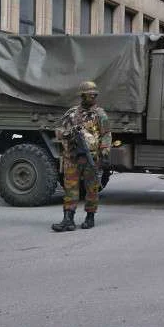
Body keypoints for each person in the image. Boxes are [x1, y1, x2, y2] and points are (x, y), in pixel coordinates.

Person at [52, 81, 112, 232]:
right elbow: (59, 130)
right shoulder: (71, 113)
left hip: (91, 158)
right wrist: (68, 133)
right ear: (82, 95)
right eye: (89, 94)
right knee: (70, 188)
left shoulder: (100, 114)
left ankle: (90, 217)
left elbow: (106, 135)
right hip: (72, 156)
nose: (92, 96)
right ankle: (68, 219)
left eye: (94, 94)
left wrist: (104, 152)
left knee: (92, 188)